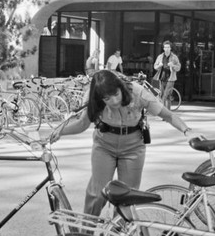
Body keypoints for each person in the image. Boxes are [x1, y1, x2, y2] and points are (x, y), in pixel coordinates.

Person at [51, 70, 196, 218]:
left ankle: (117, 235)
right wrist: (61, 131)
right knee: (98, 193)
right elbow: (82, 123)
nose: (113, 101)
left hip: (133, 148)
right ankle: (87, 233)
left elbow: (168, 115)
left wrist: (187, 131)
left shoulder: (138, 92)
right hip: (104, 146)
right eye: (107, 98)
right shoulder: (92, 96)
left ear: (121, 88)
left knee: (127, 197)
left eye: (116, 94)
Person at [153, 41, 181, 110]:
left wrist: (173, 65)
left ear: (170, 48)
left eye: (168, 47)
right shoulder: (160, 57)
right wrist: (159, 65)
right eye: (165, 47)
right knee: (166, 96)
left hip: (171, 79)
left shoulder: (174, 57)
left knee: (165, 95)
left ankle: (164, 113)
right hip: (162, 78)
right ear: (163, 48)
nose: (167, 49)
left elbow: (178, 68)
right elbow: (155, 67)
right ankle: (167, 113)